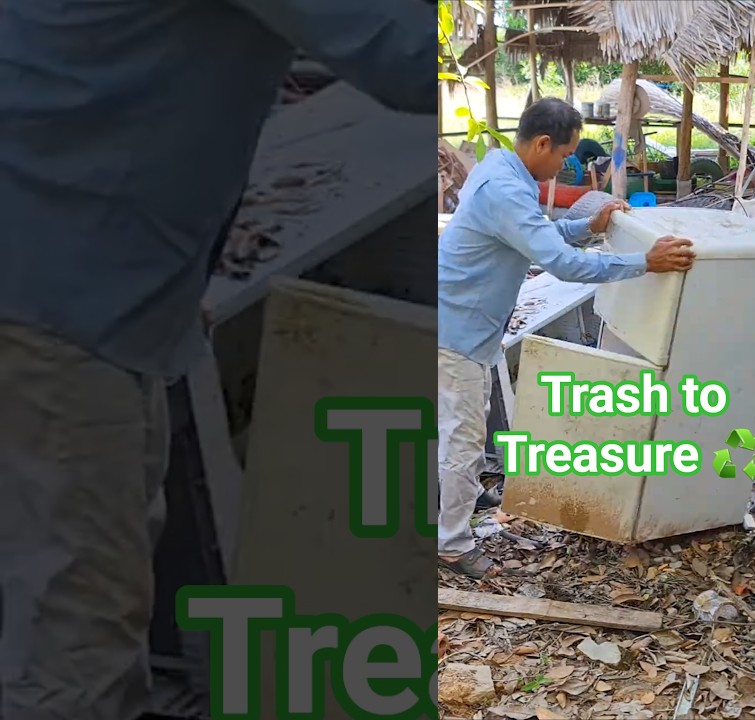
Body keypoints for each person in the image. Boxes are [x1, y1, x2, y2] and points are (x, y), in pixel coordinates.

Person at [0, 1, 435, 717]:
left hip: (84, 291)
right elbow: (406, 54)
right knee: (74, 635)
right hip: (58, 300)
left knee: (60, 587)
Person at [437, 98, 695, 579]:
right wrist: (645, 263)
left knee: (460, 427)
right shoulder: (507, 191)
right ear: (541, 144)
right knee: (463, 439)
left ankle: (467, 494)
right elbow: (563, 264)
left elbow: (540, 234)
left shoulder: (500, 168)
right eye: (563, 156)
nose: (564, 166)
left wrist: (586, 225)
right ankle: (451, 543)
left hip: (467, 320)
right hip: (457, 330)